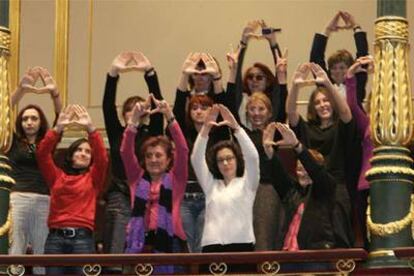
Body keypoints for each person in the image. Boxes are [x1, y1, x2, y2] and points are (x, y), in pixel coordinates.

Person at [102, 51, 163, 272]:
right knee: (118, 249)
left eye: (139, 108)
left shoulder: (153, 132)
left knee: (147, 249)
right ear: (124, 114)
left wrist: (150, 73)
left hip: (148, 194)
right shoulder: (117, 132)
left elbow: (158, 105)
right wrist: (113, 73)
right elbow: (108, 105)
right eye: (130, 110)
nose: (134, 112)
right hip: (120, 194)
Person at [286, 62, 358, 248]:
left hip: (337, 189)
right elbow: (291, 113)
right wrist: (295, 85)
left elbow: (345, 112)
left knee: (339, 241)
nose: (322, 105)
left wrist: (327, 83)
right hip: (313, 191)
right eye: (317, 102)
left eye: (326, 101)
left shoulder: (340, 127)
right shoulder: (308, 129)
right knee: (315, 241)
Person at [36, 105, 108, 275]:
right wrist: (58, 128)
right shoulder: (56, 176)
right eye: (79, 150)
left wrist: (91, 129)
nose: (83, 154)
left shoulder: (93, 177)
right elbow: (42, 154)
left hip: (82, 240)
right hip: (55, 239)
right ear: (71, 154)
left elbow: (103, 159)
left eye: (88, 152)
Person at [120, 98, 188, 274]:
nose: (153, 160)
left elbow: (183, 150)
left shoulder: (176, 179)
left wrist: (170, 117)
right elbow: (125, 152)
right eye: (149, 156)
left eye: (158, 155)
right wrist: (133, 121)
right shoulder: (137, 178)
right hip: (138, 243)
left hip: (170, 242)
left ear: (168, 160)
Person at [191, 104, 259, 272]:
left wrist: (236, 128)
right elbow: (195, 158)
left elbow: (253, 156)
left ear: (237, 159)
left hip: (242, 247)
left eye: (229, 158)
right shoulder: (211, 185)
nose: (226, 163)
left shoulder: (247, 183)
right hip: (211, 248)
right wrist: (205, 129)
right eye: (221, 160)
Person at [8, 67, 62, 275]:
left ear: (41, 123)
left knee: (42, 250)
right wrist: (20, 91)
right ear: (20, 122)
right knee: (16, 249)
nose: (29, 122)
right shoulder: (12, 142)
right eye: (25, 118)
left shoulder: (47, 143)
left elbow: (60, 117)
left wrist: (54, 93)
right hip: (18, 197)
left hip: (43, 199)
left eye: (34, 118)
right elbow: (2, 112)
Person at [262, 122, 337, 250]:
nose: (301, 173)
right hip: (288, 255)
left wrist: (297, 146)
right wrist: (269, 152)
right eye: (298, 169)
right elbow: (279, 177)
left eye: (305, 169)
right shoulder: (295, 193)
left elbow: (316, 171)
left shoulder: (324, 188)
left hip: (315, 256)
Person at [226, 20, 287, 128]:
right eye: (250, 77)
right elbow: (235, 78)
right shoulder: (241, 100)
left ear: (268, 81)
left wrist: (273, 44)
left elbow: (281, 76)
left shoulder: (274, 101)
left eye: (259, 77)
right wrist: (243, 42)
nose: (254, 80)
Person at [310, 11, 369, 108]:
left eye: (342, 68)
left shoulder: (356, 83)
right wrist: (327, 30)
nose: (338, 71)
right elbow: (316, 57)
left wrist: (356, 26)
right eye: (334, 68)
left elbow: (362, 54)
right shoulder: (326, 85)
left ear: (350, 68)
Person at [345, 56, 375, 248]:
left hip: (392, 184)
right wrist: (350, 75)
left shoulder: (403, 127)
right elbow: (352, 104)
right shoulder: (367, 123)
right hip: (366, 185)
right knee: (366, 236)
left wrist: (379, 71)